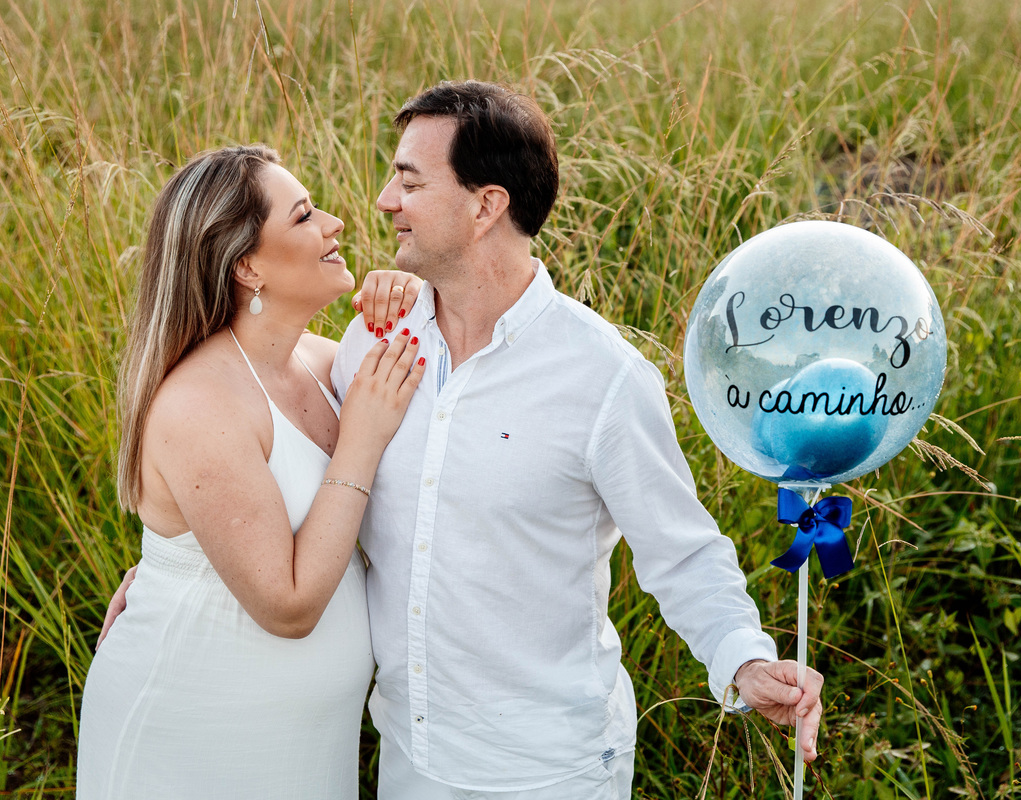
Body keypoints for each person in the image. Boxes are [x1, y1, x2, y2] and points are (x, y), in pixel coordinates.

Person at [332, 80, 824, 799]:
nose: (384, 199)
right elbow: (317, 486)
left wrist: (744, 662)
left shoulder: (604, 377)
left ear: (485, 205)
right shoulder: (371, 342)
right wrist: (180, 563)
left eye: (409, 180)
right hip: (410, 754)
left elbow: (681, 551)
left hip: (549, 769)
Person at [77, 144, 426, 800]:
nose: (334, 223)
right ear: (246, 265)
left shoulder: (329, 366)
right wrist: (362, 438)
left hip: (305, 744)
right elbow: (287, 606)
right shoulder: (199, 401)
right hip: (193, 738)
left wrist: (414, 297)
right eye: (302, 217)